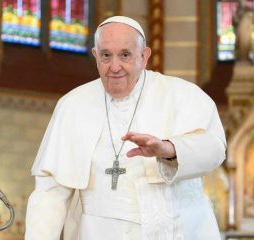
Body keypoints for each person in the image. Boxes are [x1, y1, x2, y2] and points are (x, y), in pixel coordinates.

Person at [25, 16, 226, 240]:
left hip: (177, 231)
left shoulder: (183, 95)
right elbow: (50, 194)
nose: (115, 67)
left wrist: (170, 149)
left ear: (144, 56)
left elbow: (215, 149)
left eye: (125, 55)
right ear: (95, 56)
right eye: (106, 55)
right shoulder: (72, 105)